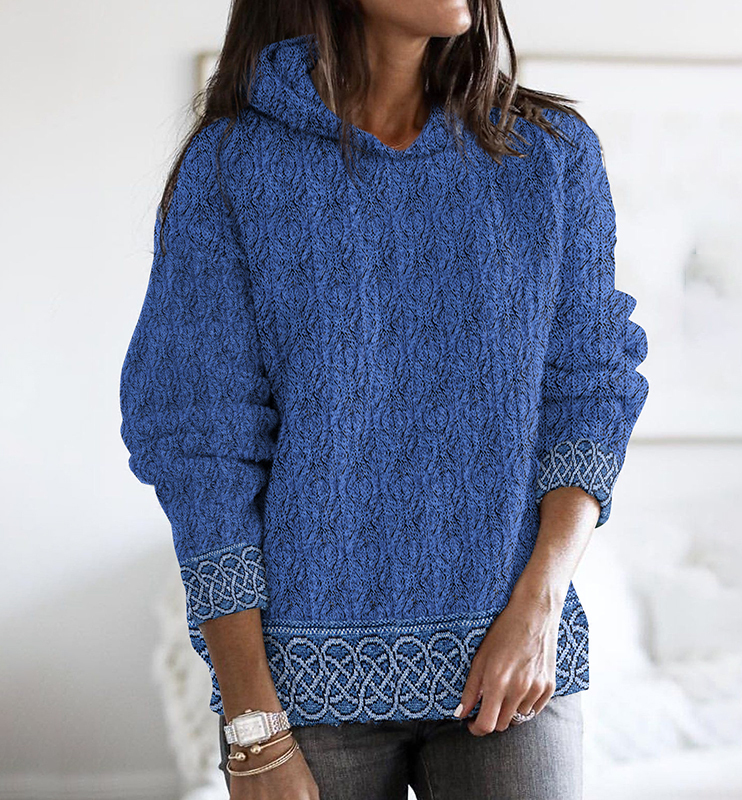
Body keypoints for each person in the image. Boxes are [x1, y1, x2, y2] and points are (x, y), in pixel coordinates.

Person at [119, 1, 649, 798]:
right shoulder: (235, 165)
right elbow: (200, 449)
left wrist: (540, 605)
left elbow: (590, 388)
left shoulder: (550, 155)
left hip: (512, 663)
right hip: (304, 687)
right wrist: (252, 724)